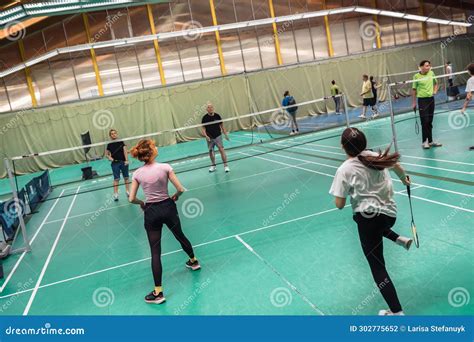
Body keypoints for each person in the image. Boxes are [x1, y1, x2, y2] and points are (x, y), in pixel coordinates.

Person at [329, 127, 413, 316]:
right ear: (364, 142)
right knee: (373, 224)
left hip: (368, 220)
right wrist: (404, 180)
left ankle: (397, 313)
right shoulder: (377, 156)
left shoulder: (344, 169)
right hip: (390, 216)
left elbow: (339, 204)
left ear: (343, 146)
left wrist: (348, 190)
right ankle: (398, 238)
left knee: (378, 267)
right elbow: (397, 166)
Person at [129, 139, 200, 304]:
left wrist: (142, 203)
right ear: (151, 152)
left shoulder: (137, 174)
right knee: (180, 235)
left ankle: (158, 293)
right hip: (168, 207)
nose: (156, 147)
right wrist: (176, 196)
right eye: (154, 146)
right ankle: (194, 261)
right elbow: (181, 189)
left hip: (151, 212)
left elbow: (131, 198)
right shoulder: (165, 167)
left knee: (155, 252)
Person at [412, 60, 442, 149]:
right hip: (422, 100)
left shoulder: (431, 73)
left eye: (429, 65)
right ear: (421, 67)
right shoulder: (416, 76)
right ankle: (424, 142)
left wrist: (435, 91)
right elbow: (414, 90)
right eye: (426, 66)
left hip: (431, 99)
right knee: (424, 121)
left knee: (429, 121)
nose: (428, 67)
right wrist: (413, 103)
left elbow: (436, 83)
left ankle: (431, 141)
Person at [201, 103, 230, 173]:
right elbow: (203, 128)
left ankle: (226, 165)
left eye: (211, 107)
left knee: (221, 150)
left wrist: (225, 134)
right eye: (208, 107)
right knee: (211, 151)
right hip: (209, 137)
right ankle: (213, 165)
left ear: (213, 108)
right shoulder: (204, 118)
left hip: (218, 136)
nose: (210, 108)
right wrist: (206, 136)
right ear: (206, 109)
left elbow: (222, 126)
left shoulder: (217, 116)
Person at [106, 129, 130, 201]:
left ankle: (128, 191)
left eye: (114, 133)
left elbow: (125, 151)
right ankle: (116, 194)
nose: (113, 135)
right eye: (112, 134)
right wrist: (109, 158)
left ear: (117, 134)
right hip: (115, 163)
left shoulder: (121, 142)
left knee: (126, 177)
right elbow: (106, 154)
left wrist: (126, 160)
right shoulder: (109, 144)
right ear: (110, 136)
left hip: (123, 162)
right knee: (116, 179)